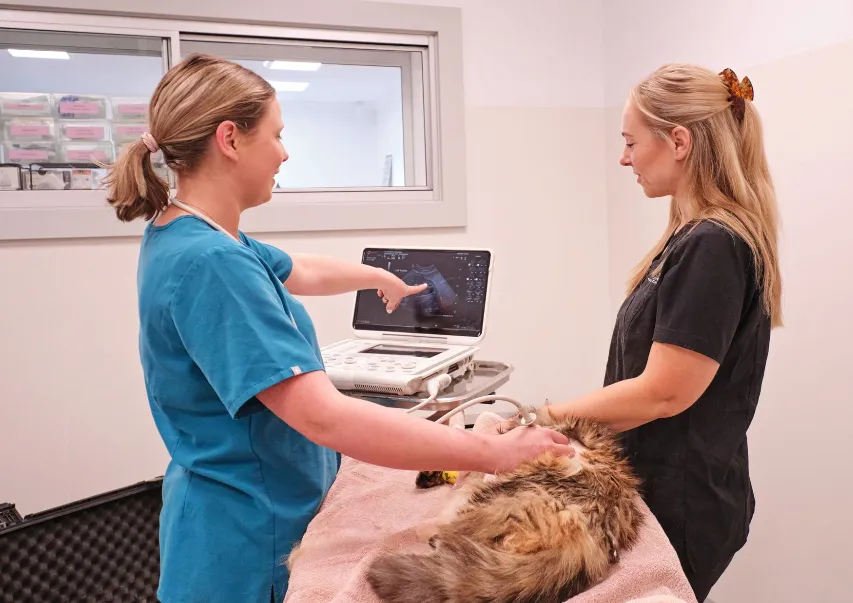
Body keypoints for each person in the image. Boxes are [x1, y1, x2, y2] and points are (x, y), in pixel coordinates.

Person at [103, 53, 574, 603]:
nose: (284, 153)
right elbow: (323, 416)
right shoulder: (213, 263)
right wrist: (491, 453)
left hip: (242, 512)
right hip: (248, 540)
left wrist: (380, 277)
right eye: (277, 135)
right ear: (230, 139)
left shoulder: (191, 234)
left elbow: (300, 269)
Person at [547, 64, 782, 602]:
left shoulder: (713, 244)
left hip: (681, 506)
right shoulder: (690, 237)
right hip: (664, 489)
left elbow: (663, 392)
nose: (623, 158)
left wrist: (544, 417)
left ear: (679, 142)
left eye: (631, 142)